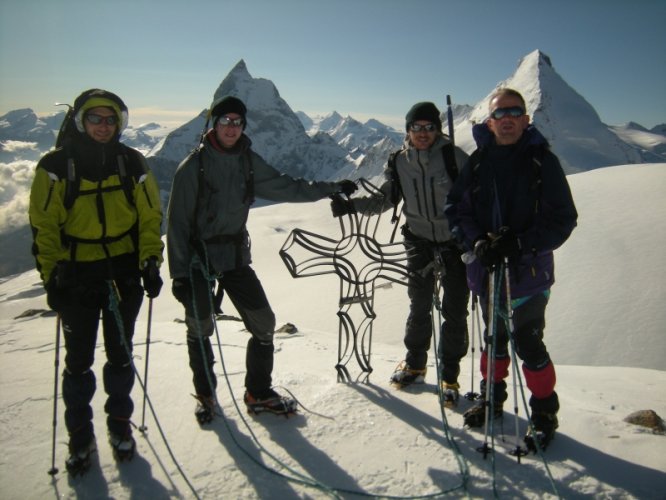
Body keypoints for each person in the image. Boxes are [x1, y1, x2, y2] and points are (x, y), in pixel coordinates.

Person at [166, 95, 357, 423]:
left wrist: (329, 189)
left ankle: (258, 392)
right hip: (198, 257)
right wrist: (180, 275)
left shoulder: (247, 161)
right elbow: (177, 224)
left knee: (264, 323)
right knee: (200, 325)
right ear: (214, 124)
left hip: (234, 255)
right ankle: (206, 395)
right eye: (225, 121)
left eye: (237, 122)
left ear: (243, 126)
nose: (231, 127)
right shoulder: (193, 167)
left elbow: (288, 187)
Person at [28, 89, 164, 474]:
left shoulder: (132, 162)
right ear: (80, 121)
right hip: (75, 275)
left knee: (120, 357)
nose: (103, 126)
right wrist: (51, 275)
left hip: (122, 273)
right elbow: (44, 226)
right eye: (95, 119)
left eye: (110, 119)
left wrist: (150, 259)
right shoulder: (55, 166)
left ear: (119, 123)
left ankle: (119, 426)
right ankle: (80, 436)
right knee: (79, 362)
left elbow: (150, 217)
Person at [446, 88, 577, 449]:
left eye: (514, 111)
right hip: (488, 273)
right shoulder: (478, 162)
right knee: (494, 341)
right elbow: (456, 210)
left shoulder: (541, 162)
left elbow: (563, 219)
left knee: (529, 345)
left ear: (525, 119)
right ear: (490, 121)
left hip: (528, 277)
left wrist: (520, 243)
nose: (506, 119)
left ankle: (544, 414)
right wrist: (476, 242)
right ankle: (492, 400)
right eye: (500, 114)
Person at [332, 101, 470, 406]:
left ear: (438, 129)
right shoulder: (399, 161)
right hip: (418, 243)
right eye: (416, 128)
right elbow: (386, 199)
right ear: (407, 130)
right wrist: (349, 207)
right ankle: (415, 365)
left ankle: (450, 375)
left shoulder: (455, 157)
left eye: (428, 127)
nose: (422, 133)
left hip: (455, 245)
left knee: (455, 311)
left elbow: (478, 197)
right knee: (418, 306)